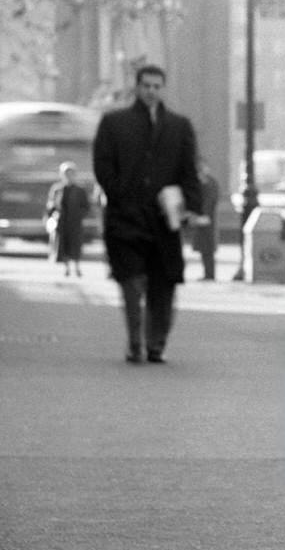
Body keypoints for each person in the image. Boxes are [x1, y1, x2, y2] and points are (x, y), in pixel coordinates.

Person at [92, 64, 205, 363]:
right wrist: (119, 195)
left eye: (157, 86)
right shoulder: (114, 123)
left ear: (163, 88)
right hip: (126, 217)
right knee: (130, 282)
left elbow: (188, 171)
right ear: (137, 87)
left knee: (163, 285)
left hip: (163, 221)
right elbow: (102, 165)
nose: (151, 91)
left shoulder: (179, 127)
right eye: (146, 85)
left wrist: (191, 208)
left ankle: (156, 343)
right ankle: (135, 343)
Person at [46, 162, 90, 277]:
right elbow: (50, 206)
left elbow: (86, 207)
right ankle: (66, 268)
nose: (69, 176)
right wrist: (54, 211)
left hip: (75, 223)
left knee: (75, 246)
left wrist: (79, 215)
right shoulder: (57, 189)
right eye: (66, 173)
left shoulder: (80, 190)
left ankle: (77, 267)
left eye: (71, 173)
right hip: (62, 222)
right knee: (63, 246)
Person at [189, 162, 221, 280]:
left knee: (207, 249)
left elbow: (209, 201)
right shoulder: (206, 183)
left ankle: (209, 274)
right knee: (204, 249)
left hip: (207, 220)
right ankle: (208, 274)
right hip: (204, 219)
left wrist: (204, 214)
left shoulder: (209, 183)